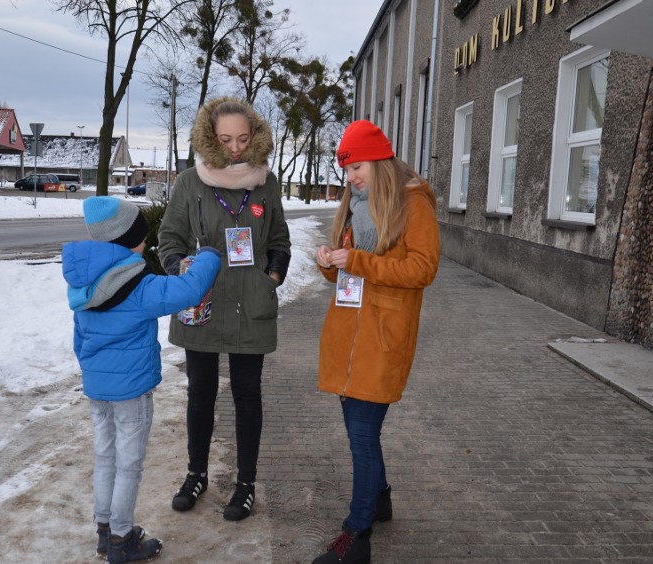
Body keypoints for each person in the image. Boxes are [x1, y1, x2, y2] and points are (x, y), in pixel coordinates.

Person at [62, 196, 221, 563]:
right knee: (128, 465)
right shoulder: (139, 286)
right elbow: (187, 291)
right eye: (141, 236)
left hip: (98, 390)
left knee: (105, 458)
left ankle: (105, 532)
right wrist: (210, 256)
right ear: (125, 239)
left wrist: (92, 372)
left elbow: (79, 337)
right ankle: (121, 539)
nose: (146, 243)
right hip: (131, 392)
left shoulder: (85, 284)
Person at [312, 120, 441, 564]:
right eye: (346, 170)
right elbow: (344, 266)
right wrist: (328, 261)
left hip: (382, 338)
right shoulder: (356, 203)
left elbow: (423, 268)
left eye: (356, 167)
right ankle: (380, 497)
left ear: (380, 160)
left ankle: (357, 532)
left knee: (362, 436)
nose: (350, 178)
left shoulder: (412, 201)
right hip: (347, 335)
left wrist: (361, 262)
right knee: (360, 432)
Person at [158, 97, 291, 521]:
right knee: (200, 393)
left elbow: (279, 241)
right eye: (225, 139)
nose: (235, 148)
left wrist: (270, 277)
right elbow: (169, 238)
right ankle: (196, 473)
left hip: (249, 305)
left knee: (247, 395)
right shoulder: (189, 182)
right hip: (204, 302)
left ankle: (245, 484)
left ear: (255, 136)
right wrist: (183, 272)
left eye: (243, 138)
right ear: (209, 138)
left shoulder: (266, 183)